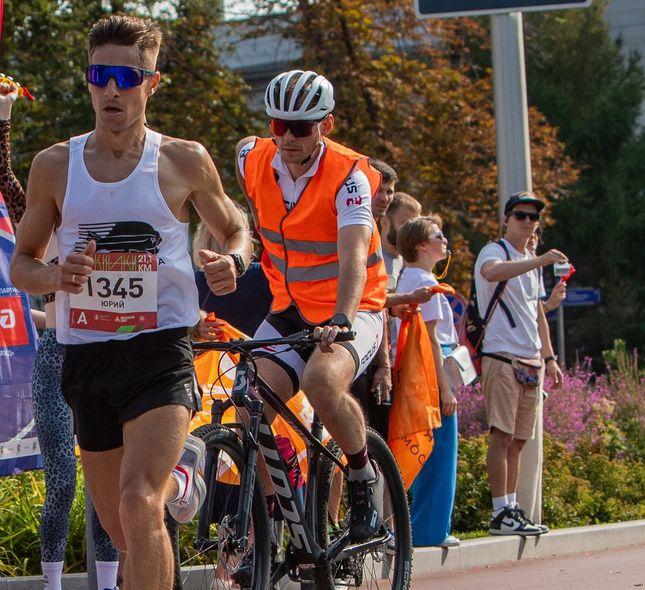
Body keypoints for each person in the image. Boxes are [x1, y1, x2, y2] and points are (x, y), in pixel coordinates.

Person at [11, 14, 251, 590]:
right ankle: (188, 481)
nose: (111, 91)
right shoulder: (56, 166)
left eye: (126, 78)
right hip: (87, 357)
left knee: (140, 505)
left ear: (151, 83)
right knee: (120, 520)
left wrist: (227, 257)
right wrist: (52, 274)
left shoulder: (182, 159)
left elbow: (232, 226)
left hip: (160, 351)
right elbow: (21, 262)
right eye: (98, 77)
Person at [233, 69, 390, 548]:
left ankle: (363, 479)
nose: (287, 137)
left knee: (322, 382)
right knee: (248, 399)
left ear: (327, 124)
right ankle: (279, 514)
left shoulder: (351, 178)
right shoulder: (249, 157)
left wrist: (341, 319)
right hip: (290, 306)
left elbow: (354, 258)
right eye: (278, 125)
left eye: (301, 127)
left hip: (353, 307)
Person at [0, 84, 124, 590]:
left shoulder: (125, 221)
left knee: (105, 482)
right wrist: (2, 119)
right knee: (64, 479)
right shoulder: (47, 217)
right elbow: (4, 181)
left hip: (109, 352)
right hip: (57, 357)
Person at [473, 192, 568, 534]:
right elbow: (491, 272)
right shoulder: (496, 251)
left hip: (531, 360)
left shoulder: (530, 262)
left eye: (532, 217)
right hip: (501, 356)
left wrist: (550, 357)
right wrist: (539, 260)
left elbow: (535, 314)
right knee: (501, 435)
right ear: (507, 219)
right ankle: (500, 511)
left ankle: (511, 509)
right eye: (520, 215)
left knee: (518, 441)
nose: (527, 221)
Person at [388, 215, 469, 545]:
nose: (444, 240)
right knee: (441, 450)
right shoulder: (426, 284)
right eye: (438, 235)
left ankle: (413, 526)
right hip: (429, 374)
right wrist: (445, 388)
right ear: (422, 245)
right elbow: (432, 339)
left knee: (418, 449)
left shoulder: (408, 278)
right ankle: (431, 529)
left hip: (413, 373)